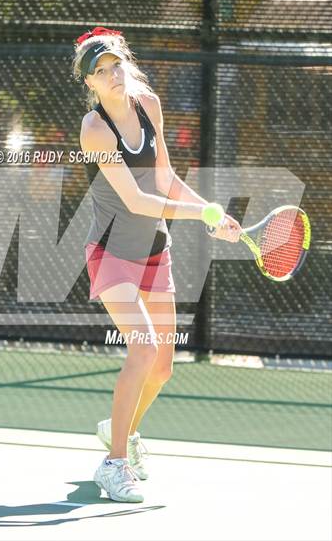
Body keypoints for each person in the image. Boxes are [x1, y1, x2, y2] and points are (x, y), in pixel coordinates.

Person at [72, 26, 242, 503]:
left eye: (116, 65)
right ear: (89, 83)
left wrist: (212, 212)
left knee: (163, 368)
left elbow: (164, 179)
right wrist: (201, 213)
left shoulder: (147, 103)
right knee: (143, 349)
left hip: (153, 250)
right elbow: (136, 198)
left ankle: (118, 428)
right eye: (100, 73)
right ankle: (115, 463)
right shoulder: (94, 128)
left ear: (126, 62)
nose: (112, 75)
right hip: (110, 253)